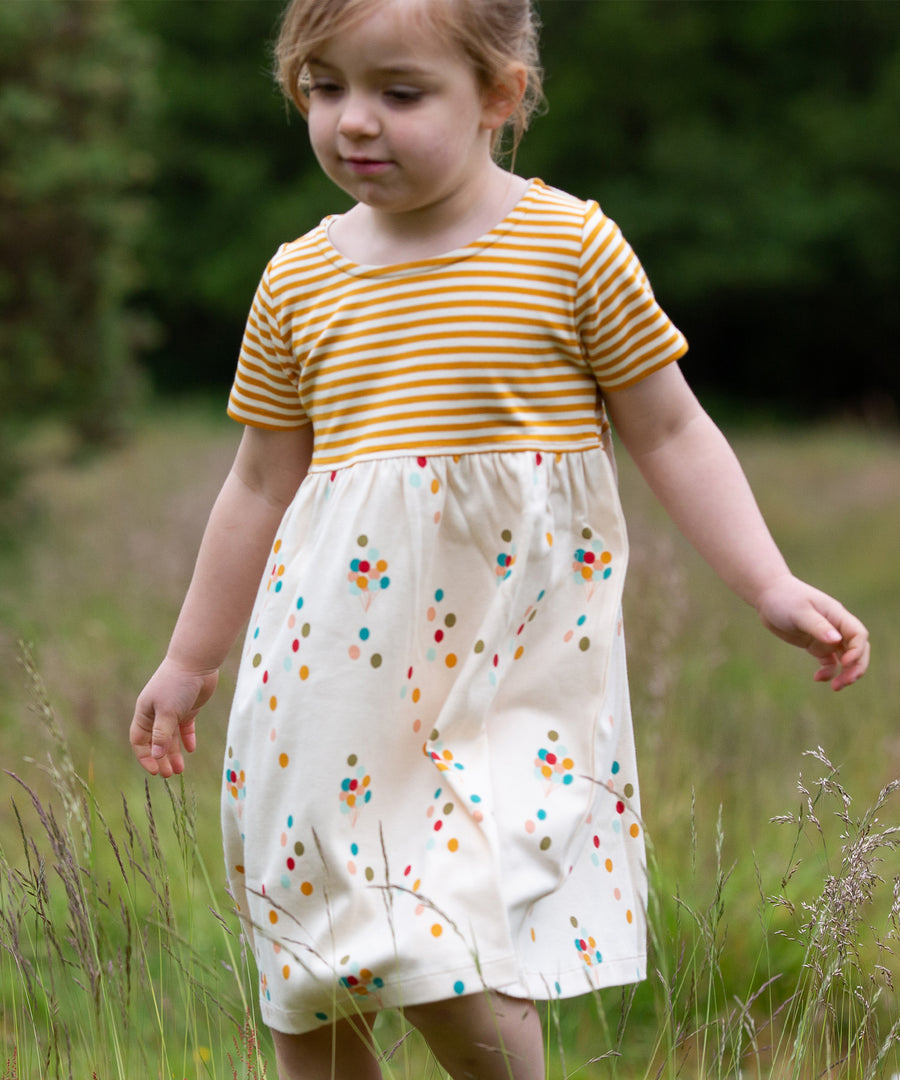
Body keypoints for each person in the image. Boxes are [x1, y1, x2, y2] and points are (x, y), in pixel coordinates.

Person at [129, 1, 870, 1077]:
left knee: (449, 946)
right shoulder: (300, 277)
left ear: (501, 95)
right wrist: (192, 658)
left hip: (505, 675)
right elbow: (256, 484)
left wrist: (768, 580)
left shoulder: (569, 248)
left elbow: (672, 429)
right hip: (327, 672)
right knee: (313, 965)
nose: (354, 123)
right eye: (324, 88)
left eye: (399, 91)